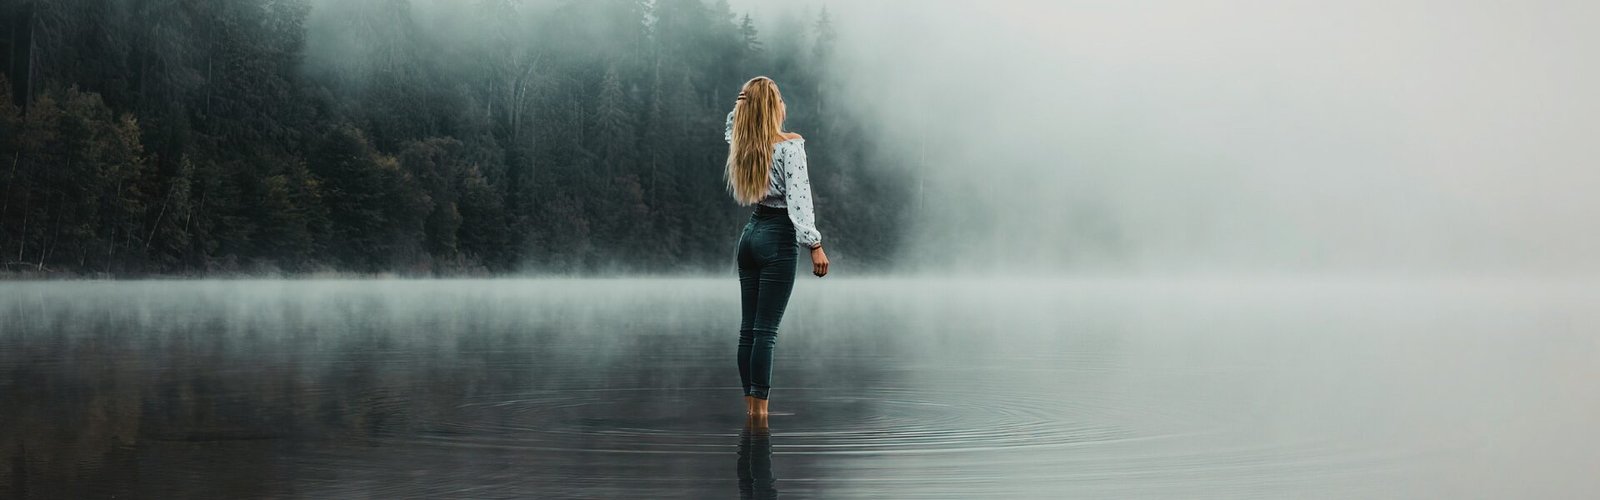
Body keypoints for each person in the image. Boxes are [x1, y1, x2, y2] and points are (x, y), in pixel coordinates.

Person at [725, 76, 829, 420]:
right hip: (778, 237)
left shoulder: (744, 144)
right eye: (779, 98)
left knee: (748, 330)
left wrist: (742, 103)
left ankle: (750, 409)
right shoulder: (790, 145)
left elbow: (732, 124)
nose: (784, 103)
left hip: (750, 235)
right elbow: (800, 200)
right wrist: (814, 243)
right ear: (773, 107)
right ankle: (761, 415)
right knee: (765, 332)